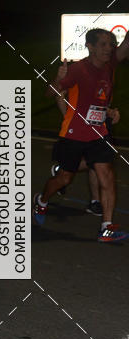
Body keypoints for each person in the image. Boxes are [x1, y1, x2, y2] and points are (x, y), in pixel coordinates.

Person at [33, 28, 129, 242]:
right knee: (65, 177)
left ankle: (106, 228)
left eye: (110, 44)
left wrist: (109, 112)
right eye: (103, 44)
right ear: (91, 47)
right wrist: (58, 79)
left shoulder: (109, 66)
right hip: (74, 133)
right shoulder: (78, 69)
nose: (109, 49)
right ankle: (41, 200)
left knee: (107, 174)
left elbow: (125, 46)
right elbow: (50, 93)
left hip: (99, 132)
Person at [50, 96, 121, 216]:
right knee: (97, 161)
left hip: (100, 120)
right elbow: (60, 93)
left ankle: (95, 202)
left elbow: (102, 100)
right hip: (82, 123)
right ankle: (62, 171)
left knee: (98, 161)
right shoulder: (79, 77)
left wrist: (111, 112)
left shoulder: (109, 77)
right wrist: (68, 117)